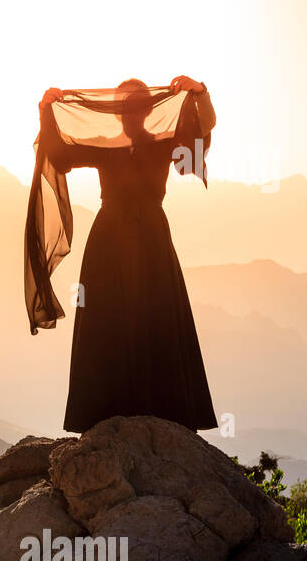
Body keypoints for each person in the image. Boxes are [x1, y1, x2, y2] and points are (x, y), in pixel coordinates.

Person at [36, 76, 218, 433]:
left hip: (151, 238)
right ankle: (105, 413)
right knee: (108, 316)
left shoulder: (167, 144)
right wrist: (46, 112)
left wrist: (201, 94)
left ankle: (166, 414)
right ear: (117, 111)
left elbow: (198, 147)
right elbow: (58, 156)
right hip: (110, 240)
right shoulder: (106, 145)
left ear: (150, 110)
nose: (132, 113)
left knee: (157, 314)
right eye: (126, 106)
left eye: (138, 106)